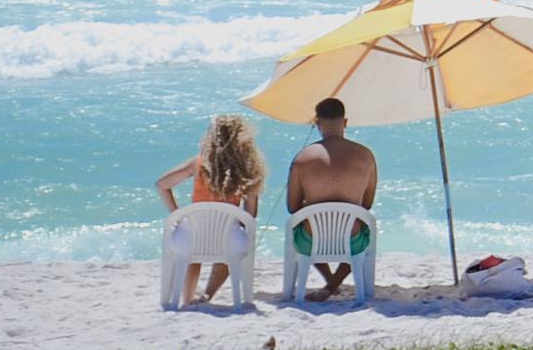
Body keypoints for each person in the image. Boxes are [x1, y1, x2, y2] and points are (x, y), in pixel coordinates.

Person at [154, 113, 265, 304]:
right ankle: (208, 295)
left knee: (193, 250)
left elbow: (162, 184)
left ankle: (187, 298)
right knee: (231, 244)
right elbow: (250, 215)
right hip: (227, 240)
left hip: (191, 237)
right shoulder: (248, 169)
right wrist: (232, 221)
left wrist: (177, 215)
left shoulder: (198, 163)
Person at [283, 97, 379, 300]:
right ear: (345, 122)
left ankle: (330, 284)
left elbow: (292, 207)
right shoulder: (366, 156)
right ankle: (332, 284)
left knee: (302, 224)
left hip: (311, 241)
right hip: (352, 241)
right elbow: (367, 204)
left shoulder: (302, 158)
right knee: (362, 229)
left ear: (317, 123)